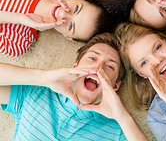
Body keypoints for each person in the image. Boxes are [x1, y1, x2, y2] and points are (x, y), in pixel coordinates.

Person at [0, 32, 148, 141]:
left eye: (109, 66)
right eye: (92, 58)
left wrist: (122, 116)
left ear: (115, 86)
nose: (98, 67)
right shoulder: (36, 92)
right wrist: (44, 78)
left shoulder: (118, 131)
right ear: (75, 66)